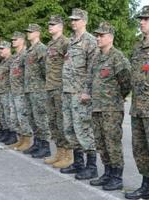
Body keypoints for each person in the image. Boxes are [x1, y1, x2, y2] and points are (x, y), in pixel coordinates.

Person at [85, 22, 131, 191]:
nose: (98, 38)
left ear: (110, 38)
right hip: (97, 107)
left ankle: (117, 177)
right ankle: (107, 173)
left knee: (112, 143)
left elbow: (126, 81)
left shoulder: (117, 57)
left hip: (111, 109)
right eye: (97, 35)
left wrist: (117, 97)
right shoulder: (97, 57)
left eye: (101, 35)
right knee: (101, 142)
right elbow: (91, 80)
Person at [60, 8, 98, 180]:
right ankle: (78, 163)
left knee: (83, 129)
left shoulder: (90, 41)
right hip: (68, 91)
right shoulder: (71, 41)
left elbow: (93, 69)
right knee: (70, 129)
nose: (73, 22)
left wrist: (87, 91)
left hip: (80, 94)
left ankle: (91, 166)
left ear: (84, 21)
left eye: (76, 19)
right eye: (72, 20)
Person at [125, 5, 149, 199]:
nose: (142, 21)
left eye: (146, 19)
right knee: (140, 149)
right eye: (141, 18)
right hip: (137, 108)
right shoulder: (138, 47)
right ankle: (146, 185)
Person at [44, 15, 73, 168]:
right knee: (53, 122)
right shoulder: (50, 44)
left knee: (62, 123)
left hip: (60, 88)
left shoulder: (66, 43)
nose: (50, 26)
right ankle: (59, 152)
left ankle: (68, 155)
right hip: (50, 87)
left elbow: (69, 66)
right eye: (49, 24)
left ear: (61, 26)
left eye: (53, 24)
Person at [23, 24, 51, 158]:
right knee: (32, 118)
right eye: (27, 32)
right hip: (29, 89)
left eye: (31, 32)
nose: (28, 34)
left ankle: (45, 146)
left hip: (39, 90)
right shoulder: (30, 50)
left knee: (41, 119)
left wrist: (42, 86)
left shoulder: (41, 49)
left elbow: (46, 70)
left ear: (38, 33)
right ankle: (37, 143)